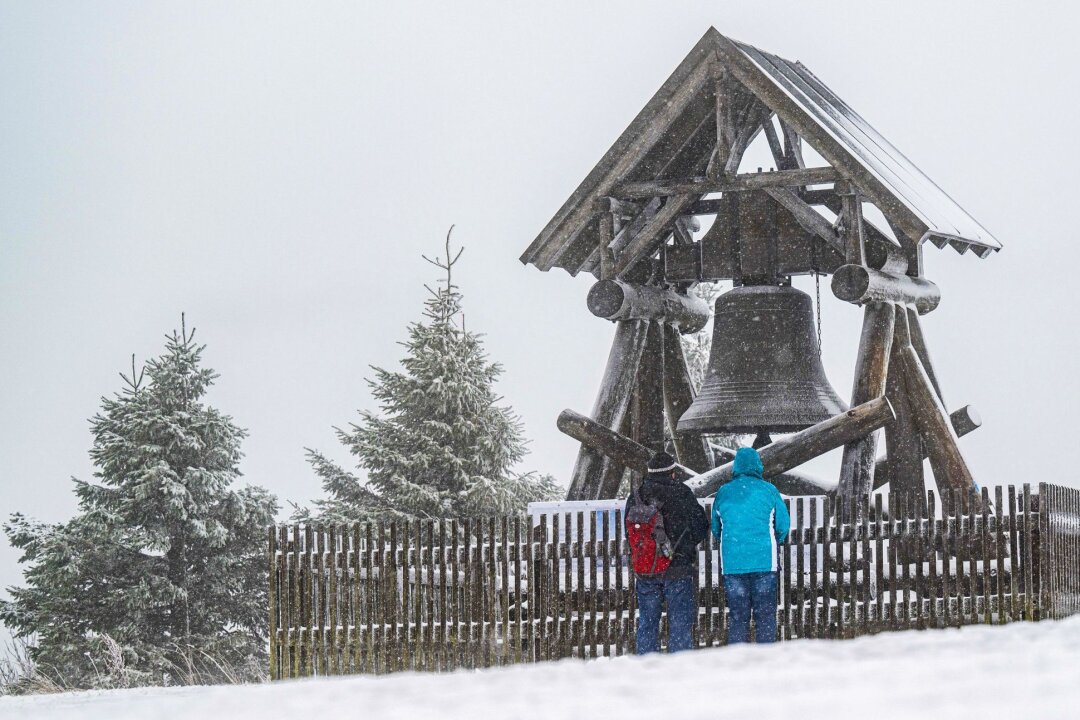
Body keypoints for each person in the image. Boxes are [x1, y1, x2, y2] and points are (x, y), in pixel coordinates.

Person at [625, 451, 709, 654]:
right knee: (680, 622)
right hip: (677, 567)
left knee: (648, 622)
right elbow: (700, 526)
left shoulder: (636, 496)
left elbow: (629, 533)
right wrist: (683, 548)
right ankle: (679, 668)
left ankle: (646, 665)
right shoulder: (682, 493)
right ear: (672, 472)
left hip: (646, 569)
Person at [711, 446, 790, 644]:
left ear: (735, 467)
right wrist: (773, 541)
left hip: (733, 564)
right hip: (764, 562)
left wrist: (729, 542)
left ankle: (739, 661)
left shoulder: (723, 492)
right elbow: (782, 525)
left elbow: (715, 527)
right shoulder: (769, 491)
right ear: (758, 465)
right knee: (765, 616)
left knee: (738, 617)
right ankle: (766, 658)